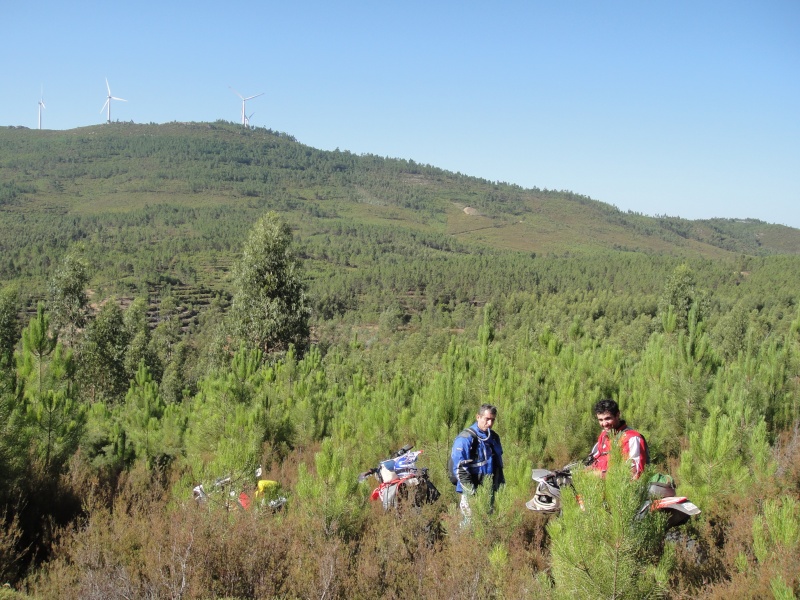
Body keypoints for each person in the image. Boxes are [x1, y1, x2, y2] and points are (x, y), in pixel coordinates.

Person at [451, 404, 505, 521]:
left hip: (489, 487)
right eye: (487, 419)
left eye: (493, 420)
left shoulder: (494, 437)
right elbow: (459, 467)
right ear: (478, 417)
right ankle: (463, 539)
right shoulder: (465, 438)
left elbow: (497, 463)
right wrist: (470, 491)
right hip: (471, 489)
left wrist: (500, 484)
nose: (490, 423)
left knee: (486, 522)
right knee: (469, 522)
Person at [587, 399, 648, 479]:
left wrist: (598, 475)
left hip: (620, 488)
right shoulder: (604, 435)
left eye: (608, 418)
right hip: (599, 486)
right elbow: (597, 461)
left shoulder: (632, 438)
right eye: (601, 420)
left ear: (618, 415)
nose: (604, 424)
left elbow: (634, 473)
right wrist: (580, 473)